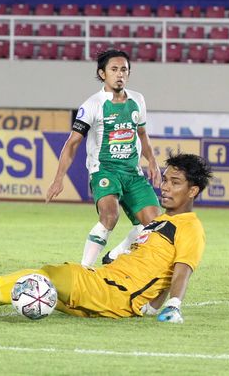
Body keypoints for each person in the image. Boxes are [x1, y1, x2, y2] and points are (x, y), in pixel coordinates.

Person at [0, 153, 211, 323]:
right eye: (166, 181)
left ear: (193, 191)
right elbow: (155, 268)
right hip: (105, 282)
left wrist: (171, 305)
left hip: (113, 292)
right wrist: (150, 305)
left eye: (175, 183)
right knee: (34, 276)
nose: (166, 188)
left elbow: (182, 269)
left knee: (49, 275)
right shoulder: (158, 223)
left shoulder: (190, 227)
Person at [46, 49, 162, 266]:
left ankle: (115, 255)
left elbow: (142, 134)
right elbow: (72, 143)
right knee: (110, 215)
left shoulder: (138, 100)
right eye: (114, 69)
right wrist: (59, 178)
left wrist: (152, 161)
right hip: (104, 170)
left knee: (155, 224)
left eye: (124, 70)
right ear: (102, 74)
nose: (120, 74)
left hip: (133, 172)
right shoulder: (92, 104)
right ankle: (84, 270)